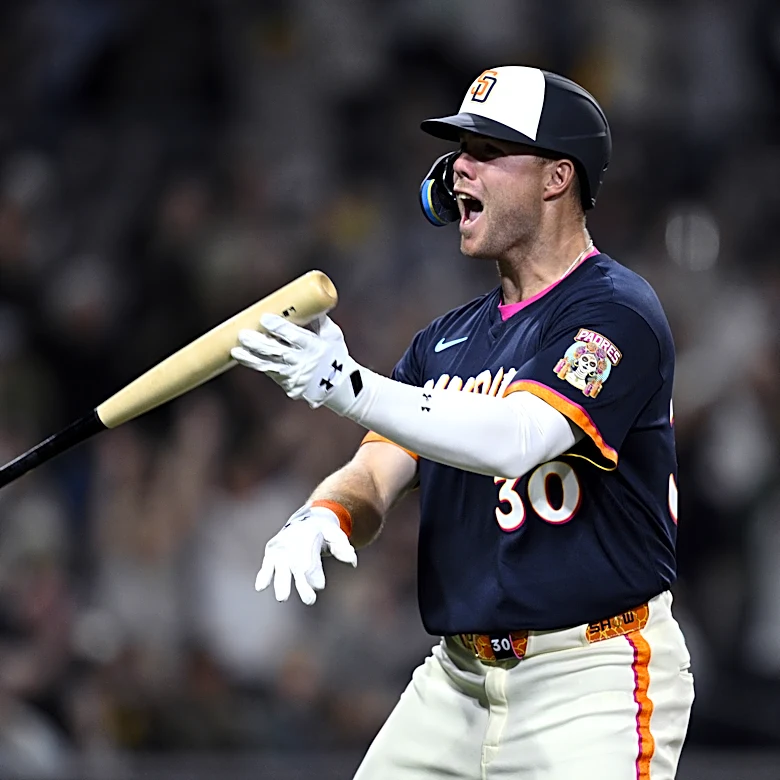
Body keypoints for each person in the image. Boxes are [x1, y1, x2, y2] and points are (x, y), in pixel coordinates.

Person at [231, 66, 694, 780]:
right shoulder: (444, 340)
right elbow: (378, 468)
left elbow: (518, 440)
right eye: (458, 150)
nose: (457, 170)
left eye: (485, 150)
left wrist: (348, 386)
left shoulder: (617, 313)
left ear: (556, 178)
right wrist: (328, 511)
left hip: (591, 677)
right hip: (457, 678)